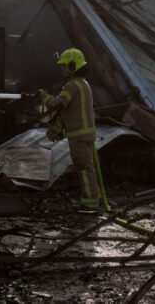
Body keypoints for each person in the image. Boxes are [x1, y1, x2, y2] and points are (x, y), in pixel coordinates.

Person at [39, 47, 108, 213]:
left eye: (64, 66)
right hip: (84, 134)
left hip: (79, 135)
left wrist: (44, 97)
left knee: (84, 168)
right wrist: (58, 125)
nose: (61, 69)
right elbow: (68, 110)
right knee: (87, 167)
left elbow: (58, 104)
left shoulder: (72, 85)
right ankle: (94, 199)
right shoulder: (82, 84)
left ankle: (90, 203)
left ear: (72, 66)